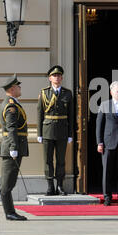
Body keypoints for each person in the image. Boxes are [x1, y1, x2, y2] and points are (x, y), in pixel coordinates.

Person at [37, 65, 74, 196]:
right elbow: (40, 114)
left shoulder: (67, 93)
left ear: (62, 78)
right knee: (47, 160)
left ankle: (60, 186)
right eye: (54, 76)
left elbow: (71, 114)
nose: (56, 78)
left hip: (62, 131)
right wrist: (39, 133)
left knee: (60, 160)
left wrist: (70, 134)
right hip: (47, 130)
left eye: (59, 75)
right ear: (50, 78)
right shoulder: (44, 93)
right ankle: (50, 186)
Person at [0, 74, 28, 221]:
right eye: (18, 86)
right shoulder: (11, 106)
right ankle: (9, 212)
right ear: (12, 88)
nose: (20, 88)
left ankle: (10, 211)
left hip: (14, 146)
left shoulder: (13, 103)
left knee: (10, 181)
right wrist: (13, 147)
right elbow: (11, 129)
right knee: (7, 183)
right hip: (12, 147)